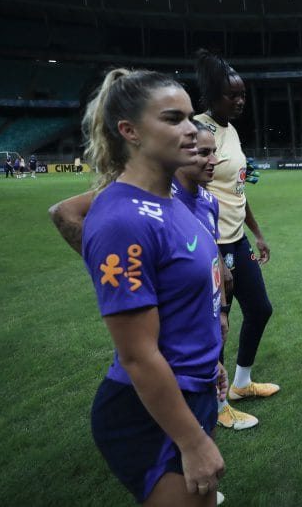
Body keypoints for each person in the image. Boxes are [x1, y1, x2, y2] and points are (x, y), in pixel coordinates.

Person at [50, 121, 260, 435]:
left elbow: (208, 259)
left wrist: (222, 310)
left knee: (196, 428)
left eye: (213, 152)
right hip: (161, 341)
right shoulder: (148, 197)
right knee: (167, 427)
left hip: (200, 335)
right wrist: (120, 273)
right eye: (203, 152)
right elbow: (64, 212)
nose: (214, 160)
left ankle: (207, 428)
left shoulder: (209, 202)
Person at [77, 68, 225, 504]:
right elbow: (138, 355)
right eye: (173, 119)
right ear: (130, 131)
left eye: (191, 118)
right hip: (149, 410)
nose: (191, 130)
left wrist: (209, 357)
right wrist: (193, 443)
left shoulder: (173, 201)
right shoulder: (122, 219)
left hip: (191, 388)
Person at [194, 49, 280, 410]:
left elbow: (237, 190)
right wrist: (213, 252)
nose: (241, 100)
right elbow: (191, 193)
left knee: (259, 309)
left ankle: (240, 384)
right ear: (214, 96)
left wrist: (257, 232)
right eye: (233, 95)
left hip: (237, 239)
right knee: (218, 328)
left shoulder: (231, 131)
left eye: (243, 94)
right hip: (212, 243)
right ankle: (216, 405)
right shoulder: (197, 129)